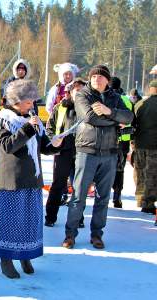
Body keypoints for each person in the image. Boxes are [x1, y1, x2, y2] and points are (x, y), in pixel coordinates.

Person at [0, 80, 62, 279]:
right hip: (12, 181)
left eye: (32, 101)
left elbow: (42, 146)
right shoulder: (2, 120)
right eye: (28, 101)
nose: (32, 105)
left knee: (30, 222)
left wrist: (55, 144)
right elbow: (7, 146)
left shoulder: (32, 118)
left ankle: (25, 255)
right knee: (10, 222)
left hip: (33, 179)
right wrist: (29, 128)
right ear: (17, 101)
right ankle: (6, 259)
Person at [62, 65, 134, 250]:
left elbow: (129, 117)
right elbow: (89, 117)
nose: (96, 79)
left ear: (107, 80)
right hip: (87, 151)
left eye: (101, 77)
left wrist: (109, 111)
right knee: (78, 197)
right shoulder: (82, 95)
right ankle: (70, 234)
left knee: (103, 198)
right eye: (94, 76)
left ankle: (97, 235)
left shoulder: (115, 98)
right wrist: (115, 121)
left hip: (109, 153)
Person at [45, 78, 86, 227]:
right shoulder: (59, 107)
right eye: (77, 90)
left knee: (79, 187)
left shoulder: (88, 108)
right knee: (57, 185)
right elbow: (50, 128)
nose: (80, 93)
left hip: (83, 152)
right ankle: (50, 217)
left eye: (82, 90)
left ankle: (78, 218)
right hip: (63, 152)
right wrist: (53, 140)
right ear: (70, 92)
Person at [132, 79, 157, 216]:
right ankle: (149, 203)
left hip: (139, 144)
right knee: (152, 174)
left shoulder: (140, 104)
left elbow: (132, 123)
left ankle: (141, 200)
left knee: (140, 173)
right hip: (154, 145)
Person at [110, 77, 134, 209]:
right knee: (120, 169)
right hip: (123, 141)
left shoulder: (107, 98)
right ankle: (117, 196)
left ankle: (101, 194)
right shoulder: (127, 100)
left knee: (104, 167)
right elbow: (133, 119)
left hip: (108, 139)